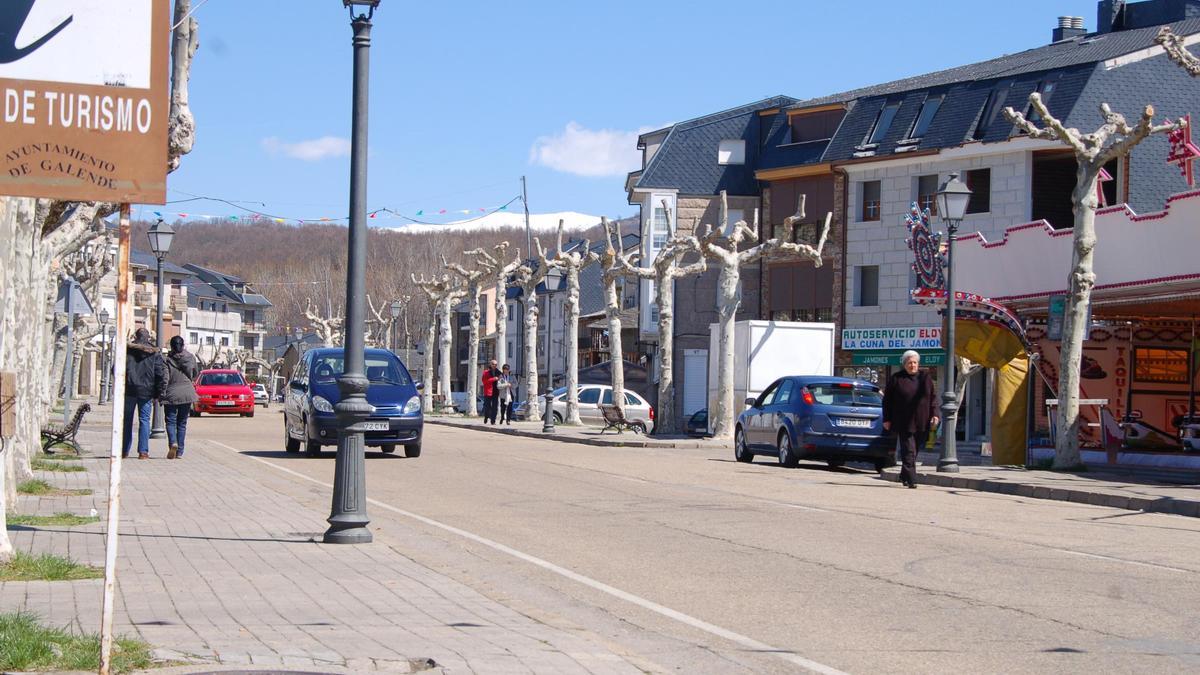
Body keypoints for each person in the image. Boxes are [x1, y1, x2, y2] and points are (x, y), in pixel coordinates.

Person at [882, 350, 939, 488]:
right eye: (909, 363)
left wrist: (935, 414)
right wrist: (887, 419)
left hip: (922, 420)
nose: (912, 365)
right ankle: (912, 480)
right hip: (903, 421)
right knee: (909, 450)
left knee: (915, 450)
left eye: (914, 363)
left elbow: (933, 398)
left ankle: (904, 475)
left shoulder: (925, 378)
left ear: (918, 364)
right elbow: (887, 400)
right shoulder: (897, 378)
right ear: (904, 364)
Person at [123, 328, 168, 460]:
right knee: (144, 421)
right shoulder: (155, 353)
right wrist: (159, 391)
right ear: (148, 338)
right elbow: (160, 373)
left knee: (127, 421)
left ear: (136, 337)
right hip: (147, 391)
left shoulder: (127, 351)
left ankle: (124, 450)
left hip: (130, 389)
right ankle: (143, 452)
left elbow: (116, 368)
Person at [162, 335, 199, 459]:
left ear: (171, 347)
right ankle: (180, 452)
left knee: (170, 420)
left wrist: (161, 394)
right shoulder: (191, 358)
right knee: (182, 423)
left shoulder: (167, 360)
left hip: (172, 393)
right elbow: (195, 374)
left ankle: (173, 442)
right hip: (187, 393)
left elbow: (165, 379)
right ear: (183, 346)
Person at [481, 359, 500, 424]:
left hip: (496, 392)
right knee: (487, 407)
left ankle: (493, 421)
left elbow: (502, 380)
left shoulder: (498, 372)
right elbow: (484, 381)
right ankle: (486, 416)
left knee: (495, 408)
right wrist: (493, 379)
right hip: (488, 392)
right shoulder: (486, 372)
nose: (494, 365)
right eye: (493, 364)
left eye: (496, 364)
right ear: (490, 364)